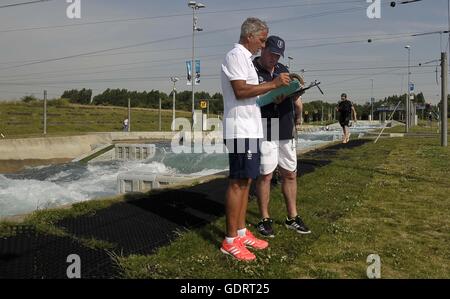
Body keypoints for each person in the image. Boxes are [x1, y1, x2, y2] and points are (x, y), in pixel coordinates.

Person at [220, 18, 291, 261]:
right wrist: (272, 84)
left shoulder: (246, 60)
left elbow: (253, 97)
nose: (263, 46)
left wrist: (277, 93)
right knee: (238, 182)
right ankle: (230, 241)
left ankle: (240, 232)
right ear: (249, 36)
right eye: (261, 40)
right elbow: (240, 91)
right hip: (239, 128)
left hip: (251, 127)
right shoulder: (235, 56)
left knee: (247, 181)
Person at [253, 36, 311, 238]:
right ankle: (264, 219)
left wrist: (294, 97)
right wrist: (271, 92)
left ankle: (292, 217)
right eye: (271, 54)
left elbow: (296, 98)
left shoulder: (283, 69)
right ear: (263, 49)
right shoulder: (252, 69)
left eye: (278, 56)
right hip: (265, 126)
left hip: (285, 126)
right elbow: (248, 97)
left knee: (290, 173)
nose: (274, 59)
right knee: (266, 175)